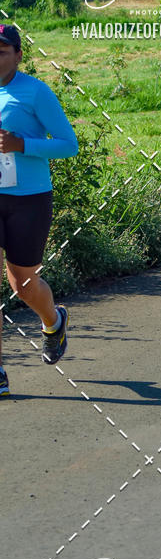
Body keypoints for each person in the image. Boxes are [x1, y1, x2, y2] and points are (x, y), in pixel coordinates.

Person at [0, 24, 79, 397]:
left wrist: (21, 144)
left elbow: (68, 144)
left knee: (23, 284)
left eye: (2, 50)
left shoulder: (34, 92)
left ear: (17, 54)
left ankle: (53, 320)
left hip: (28, 199)